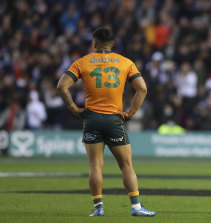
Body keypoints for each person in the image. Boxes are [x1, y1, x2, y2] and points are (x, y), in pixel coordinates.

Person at [57, 27, 156, 217]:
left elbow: (62, 86)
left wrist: (74, 108)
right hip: (114, 118)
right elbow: (142, 89)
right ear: (112, 44)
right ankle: (136, 207)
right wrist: (132, 113)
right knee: (126, 165)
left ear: (93, 43)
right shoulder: (125, 62)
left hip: (92, 117)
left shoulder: (82, 62)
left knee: (95, 166)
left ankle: (98, 208)